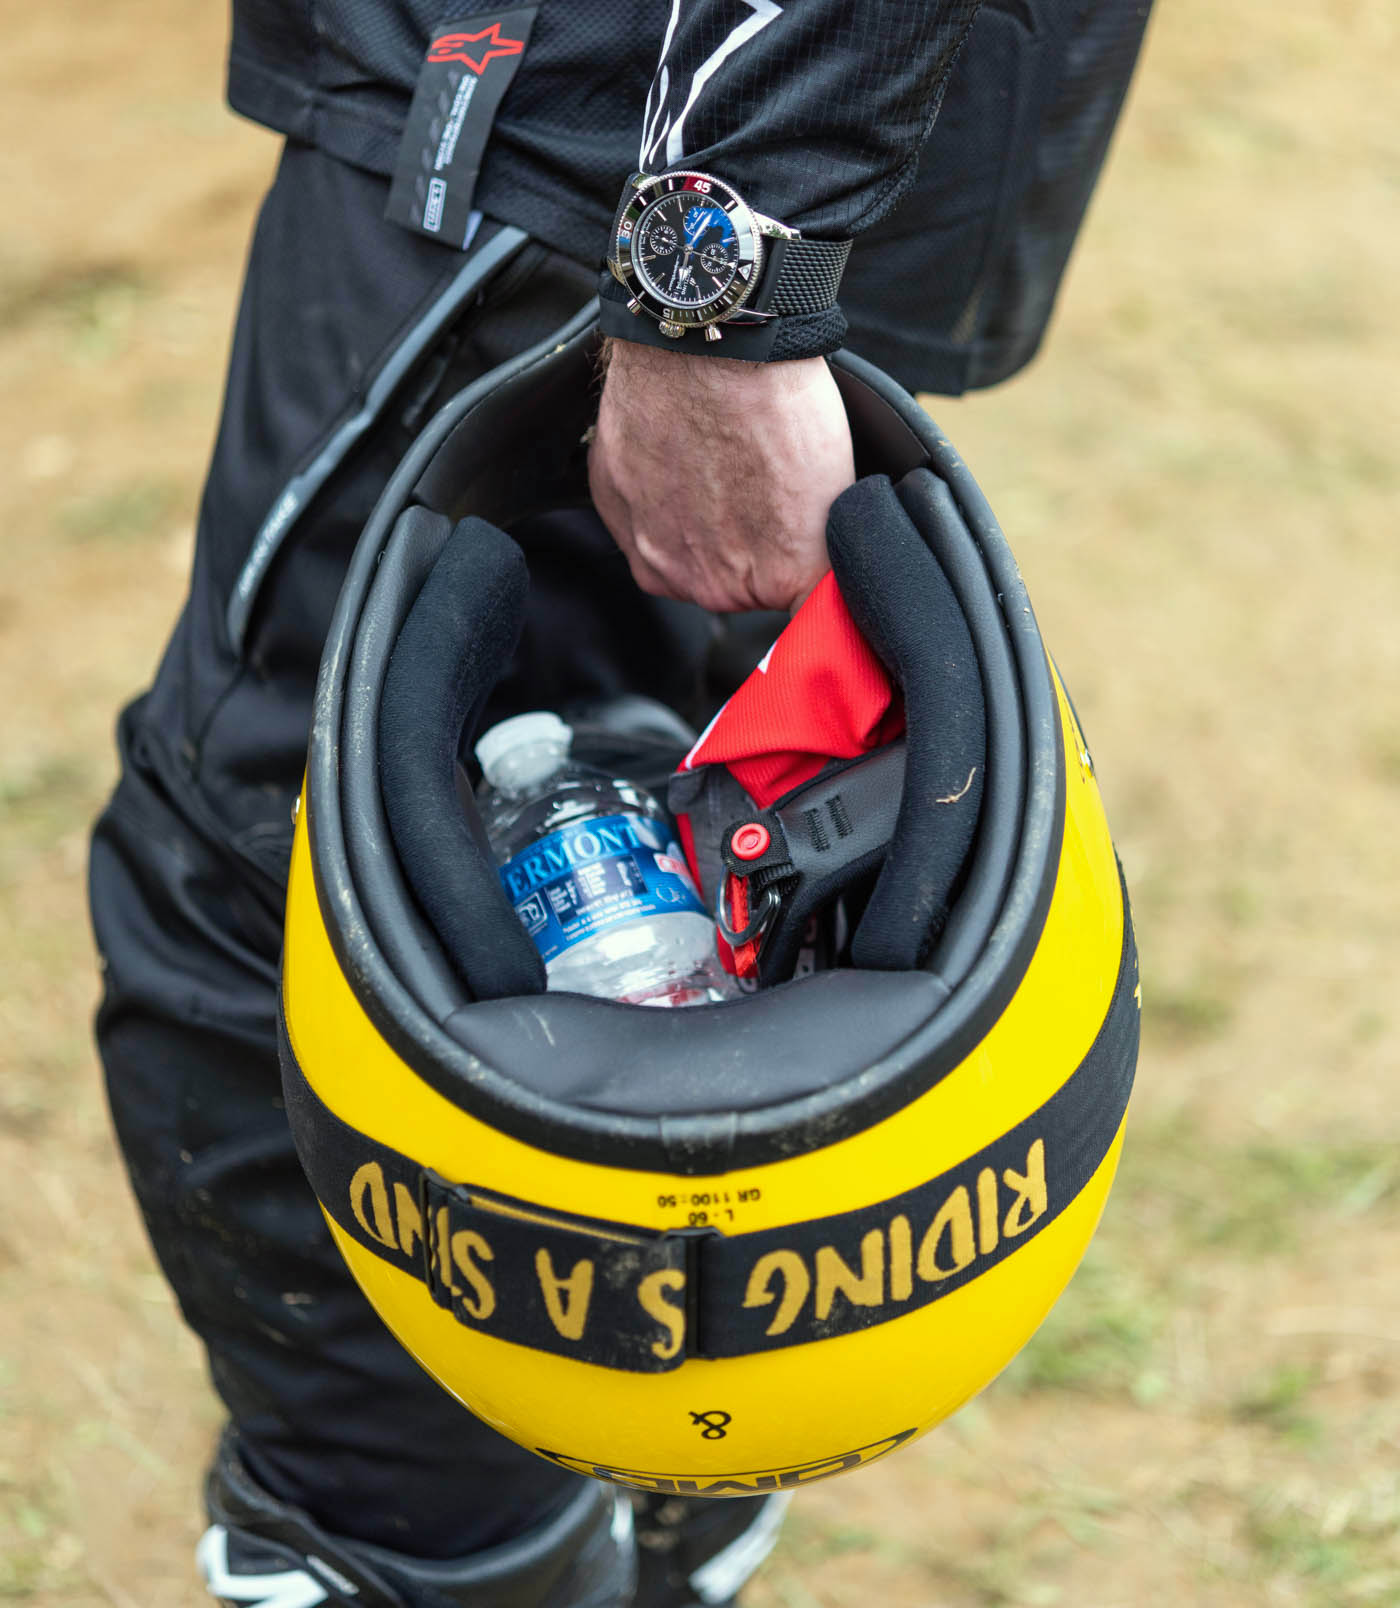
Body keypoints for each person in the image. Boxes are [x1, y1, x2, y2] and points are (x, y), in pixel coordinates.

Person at [88, 1, 1152, 1602]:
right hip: (731, 116)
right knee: (680, 750)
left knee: (289, 856)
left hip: (591, 107)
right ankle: (658, 1500)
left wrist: (720, 277)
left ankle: (439, 1557)